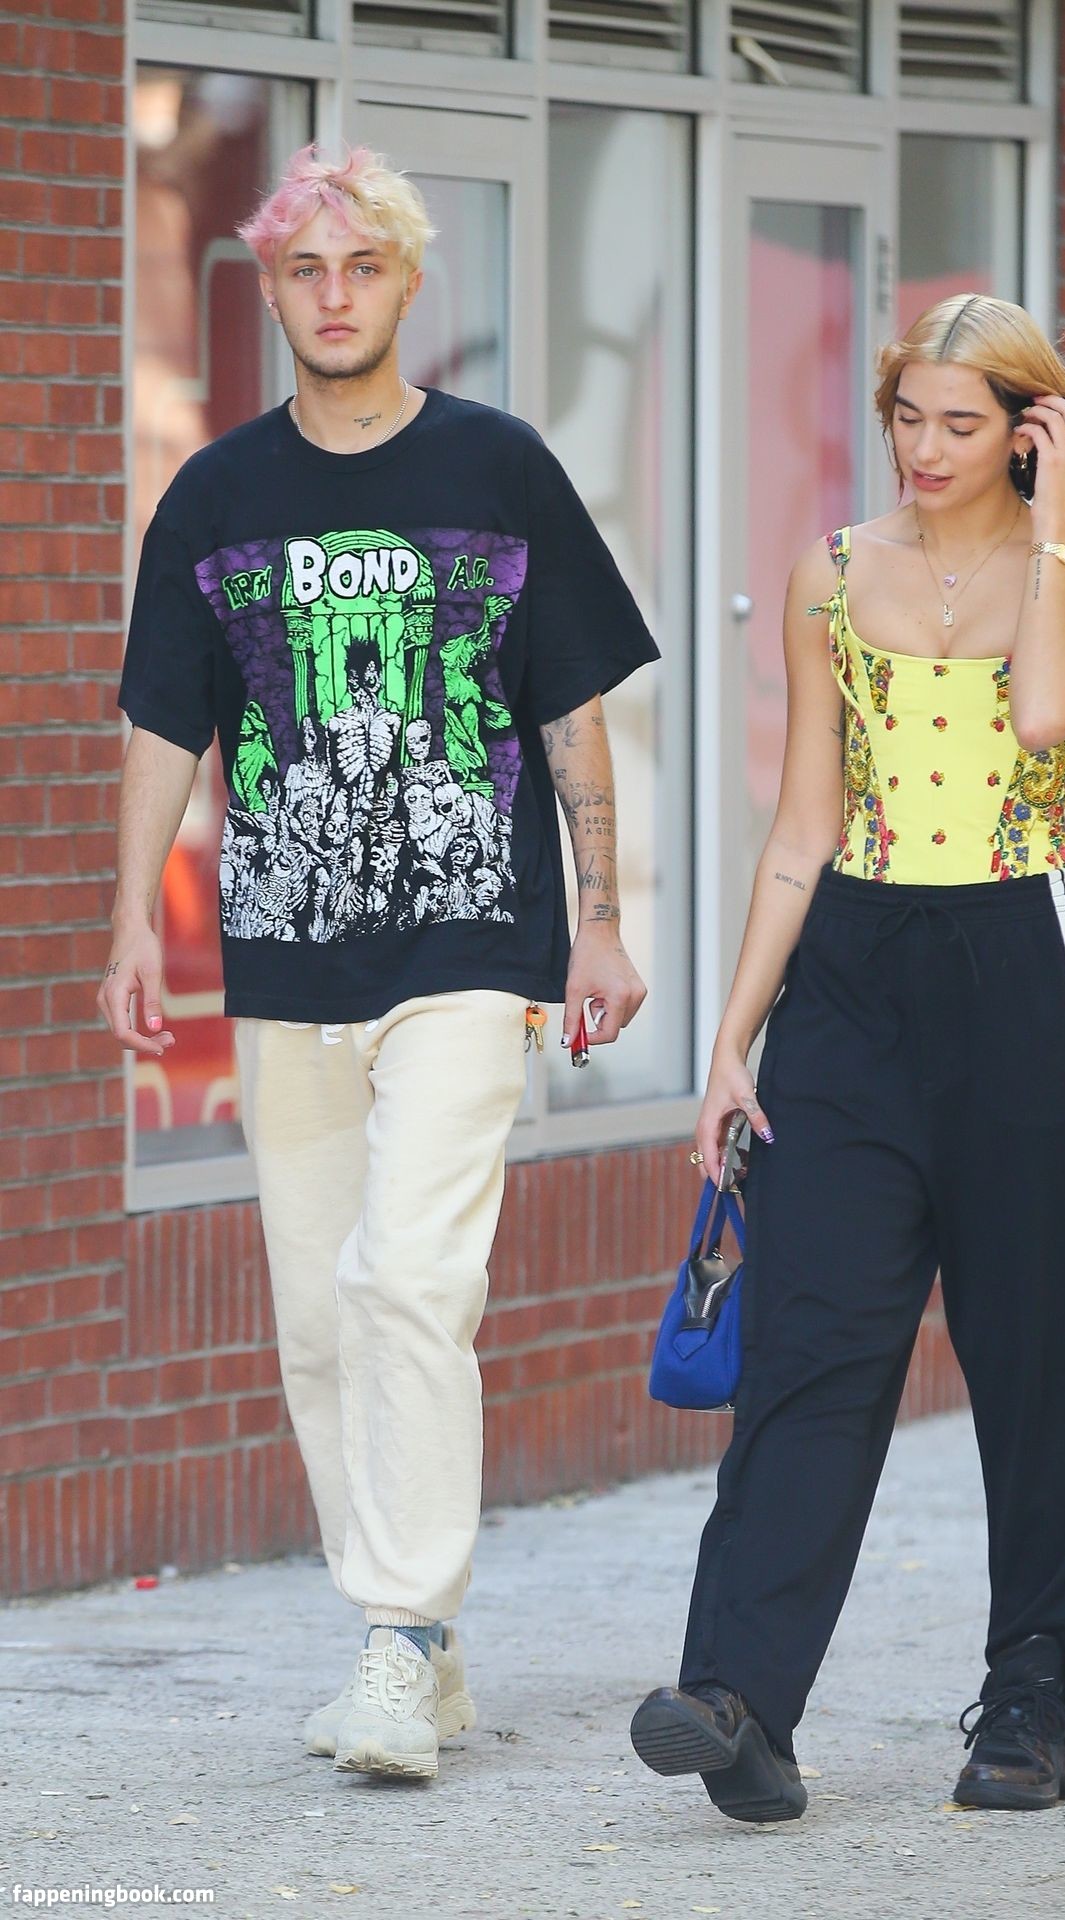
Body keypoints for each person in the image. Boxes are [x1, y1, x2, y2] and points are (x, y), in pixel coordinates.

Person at [100, 145, 658, 1782]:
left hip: (474, 942)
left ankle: (399, 1639)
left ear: (411, 281)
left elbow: (568, 706)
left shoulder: (500, 467)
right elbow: (163, 723)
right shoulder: (215, 496)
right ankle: (415, 1630)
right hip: (287, 958)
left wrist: (602, 916)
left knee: (411, 1280)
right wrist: (130, 919)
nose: (334, 295)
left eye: (362, 266)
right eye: (305, 270)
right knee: (318, 1318)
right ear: (270, 291)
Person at [630, 293, 1065, 1823]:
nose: (927, 449)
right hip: (851, 980)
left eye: (964, 424)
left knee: (1040, 1356)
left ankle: (1034, 1703)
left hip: (1027, 971)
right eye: (908, 417)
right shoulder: (830, 573)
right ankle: (738, 1700)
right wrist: (733, 1040)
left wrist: (1059, 522)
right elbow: (802, 826)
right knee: (809, 1342)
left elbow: (1049, 713)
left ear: (1027, 428)